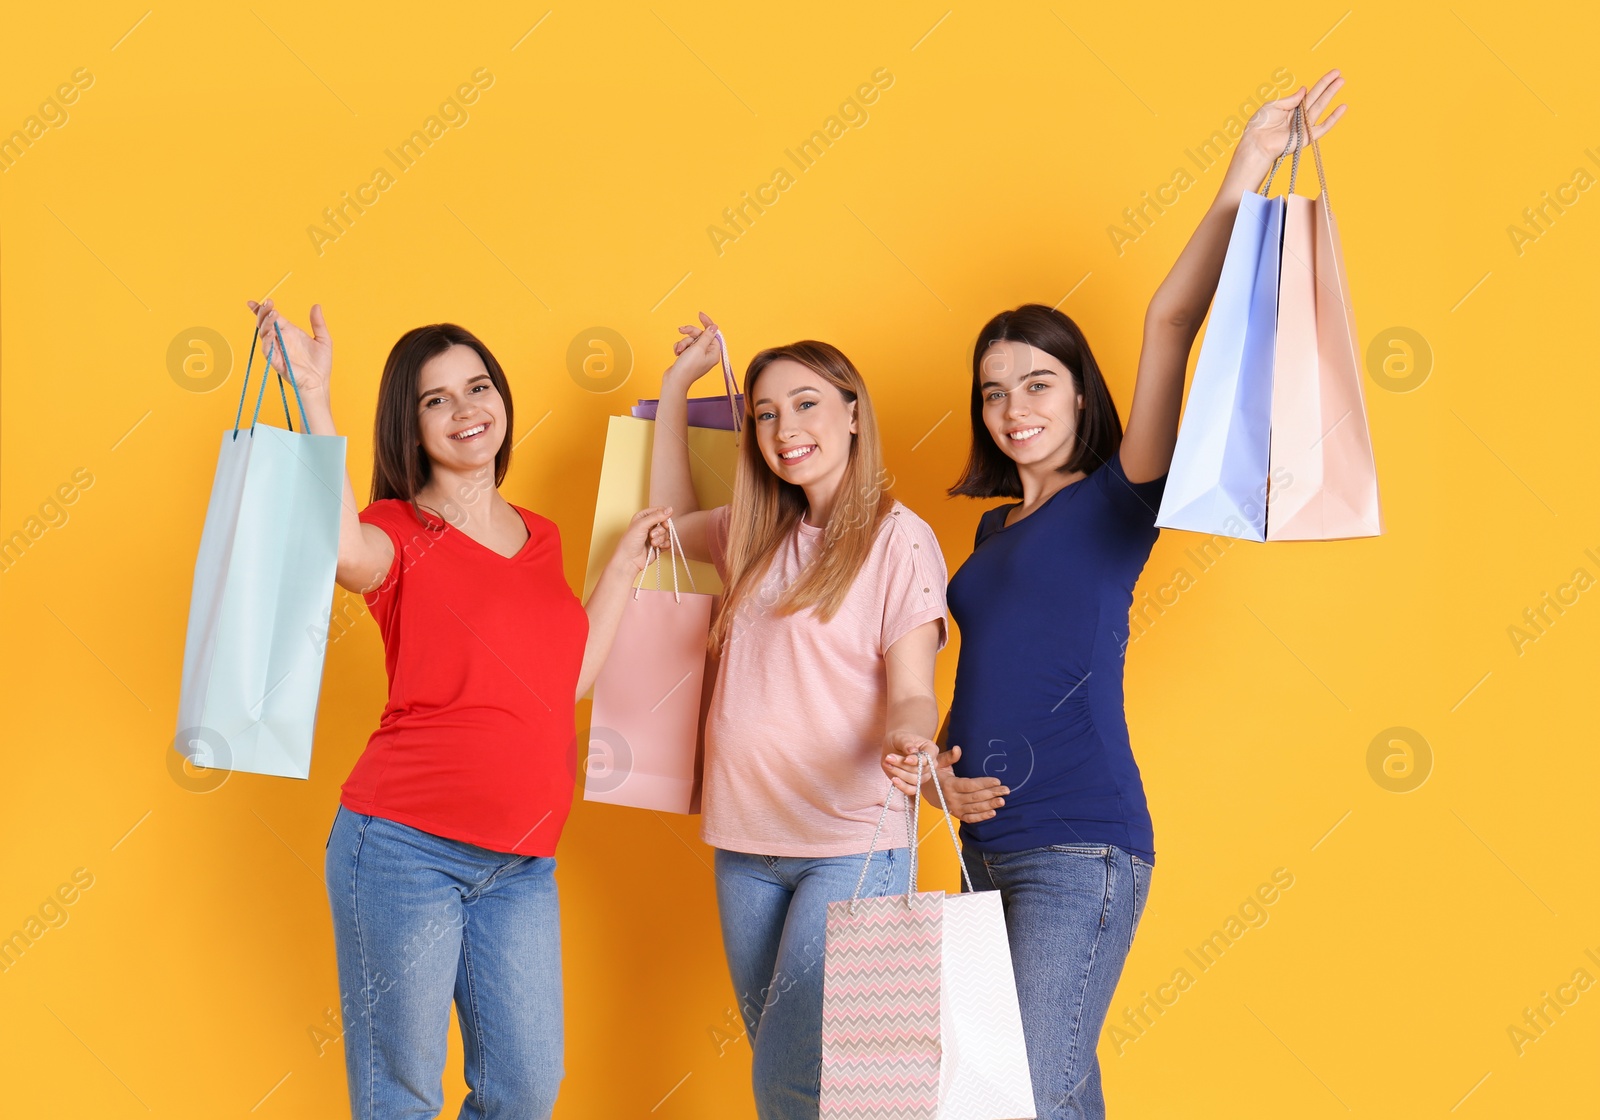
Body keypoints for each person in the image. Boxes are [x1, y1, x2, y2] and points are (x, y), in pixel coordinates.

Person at [906, 72, 1349, 1119]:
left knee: (1029, 1093)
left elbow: (1168, 320)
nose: (1014, 409)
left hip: (1080, 844)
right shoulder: (983, 530)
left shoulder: (1118, 498)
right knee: (1037, 1088)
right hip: (984, 844)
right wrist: (932, 777)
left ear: (1079, 393)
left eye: (1038, 383)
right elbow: (965, 685)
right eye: (994, 390)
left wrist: (1245, 161)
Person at [245, 298, 670, 1120]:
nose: (466, 410)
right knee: (402, 1094)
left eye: (478, 388)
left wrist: (621, 568)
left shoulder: (539, 535)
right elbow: (338, 553)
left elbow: (565, 681)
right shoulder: (396, 530)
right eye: (435, 400)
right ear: (410, 429)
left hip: (521, 865)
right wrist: (314, 395)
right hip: (404, 849)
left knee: (524, 1088)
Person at [647, 316, 948, 1119]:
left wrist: (907, 733)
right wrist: (679, 386)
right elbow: (662, 533)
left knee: (789, 1080)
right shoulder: (753, 534)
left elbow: (912, 684)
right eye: (768, 414)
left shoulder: (898, 542)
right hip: (744, 847)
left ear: (854, 412)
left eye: (807, 404)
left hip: (848, 847)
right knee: (808, 1081)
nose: (785, 429)